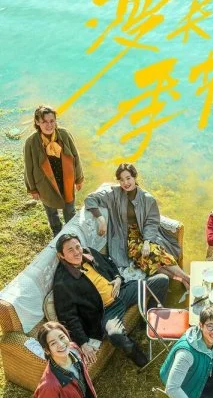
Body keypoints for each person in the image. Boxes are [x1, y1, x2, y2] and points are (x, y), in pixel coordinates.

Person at [53, 233, 169, 368]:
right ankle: (141, 359)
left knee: (162, 280)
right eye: (70, 250)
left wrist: (117, 278)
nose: (77, 252)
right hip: (107, 310)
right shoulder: (62, 282)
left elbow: (109, 262)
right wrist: (83, 342)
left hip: (122, 292)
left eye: (77, 247)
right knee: (115, 335)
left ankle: (148, 323)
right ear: (61, 255)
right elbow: (68, 316)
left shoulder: (88, 252)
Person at [85, 163, 190, 290]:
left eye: (128, 178)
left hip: (146, 234)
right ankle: (185, 279)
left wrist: (147, 241)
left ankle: (186, 279)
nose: (125, 183)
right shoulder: (114, 194)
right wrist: (100, 218)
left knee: (154, 253)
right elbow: (90, 198)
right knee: (147, 258)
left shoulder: (147, 198)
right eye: (121, 180)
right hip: (125, 238)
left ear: (135, 177)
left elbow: (152, 221)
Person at [24, 105, 84, 237]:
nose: (49, 125)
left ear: (55, 121)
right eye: (44, 121)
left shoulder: (64, 135)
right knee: (51, 211)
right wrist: (32, 189)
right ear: (37, 122)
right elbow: (28, 167)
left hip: (66, 179)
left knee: (70, 209)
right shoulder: (31, 142)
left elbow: (75, 156)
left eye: (52, 121)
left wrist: (79, 179)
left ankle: (72, 232)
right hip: (45, 184)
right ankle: (57, 232)